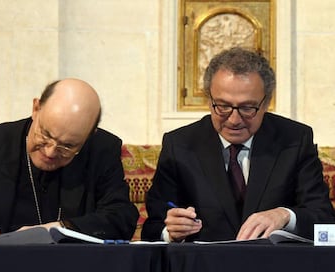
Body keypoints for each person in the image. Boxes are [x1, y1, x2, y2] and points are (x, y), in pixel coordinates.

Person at [142, 47, 335, 242]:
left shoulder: (295, 140)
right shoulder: (180, 145)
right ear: (209, 100)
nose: (234, 120)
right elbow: (152, 228)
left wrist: (285, 215)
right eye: (223, 106)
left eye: (247, 108)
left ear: (266, 103)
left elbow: (324, 220)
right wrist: (171, 232)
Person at [0, 78, 139, 244]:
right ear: (36, 108)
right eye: (45, 135)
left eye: (68, 146)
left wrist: (57, 229)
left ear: (89, 135)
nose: (51, 151)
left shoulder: (102, 149)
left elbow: (121, 217)